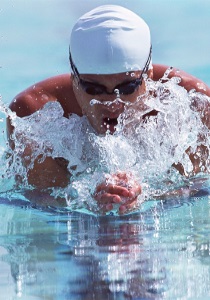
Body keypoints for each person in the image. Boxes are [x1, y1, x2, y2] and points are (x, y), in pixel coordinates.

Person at [7, 5, 210, 213]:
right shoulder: (34, 114)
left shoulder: (193, 103)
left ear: (147, 77)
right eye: (93, 89)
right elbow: (41, 197)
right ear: (74, 80)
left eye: (127, 87)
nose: (112, 102)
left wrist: (147, 194)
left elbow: (195, 186)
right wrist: (84, 199)